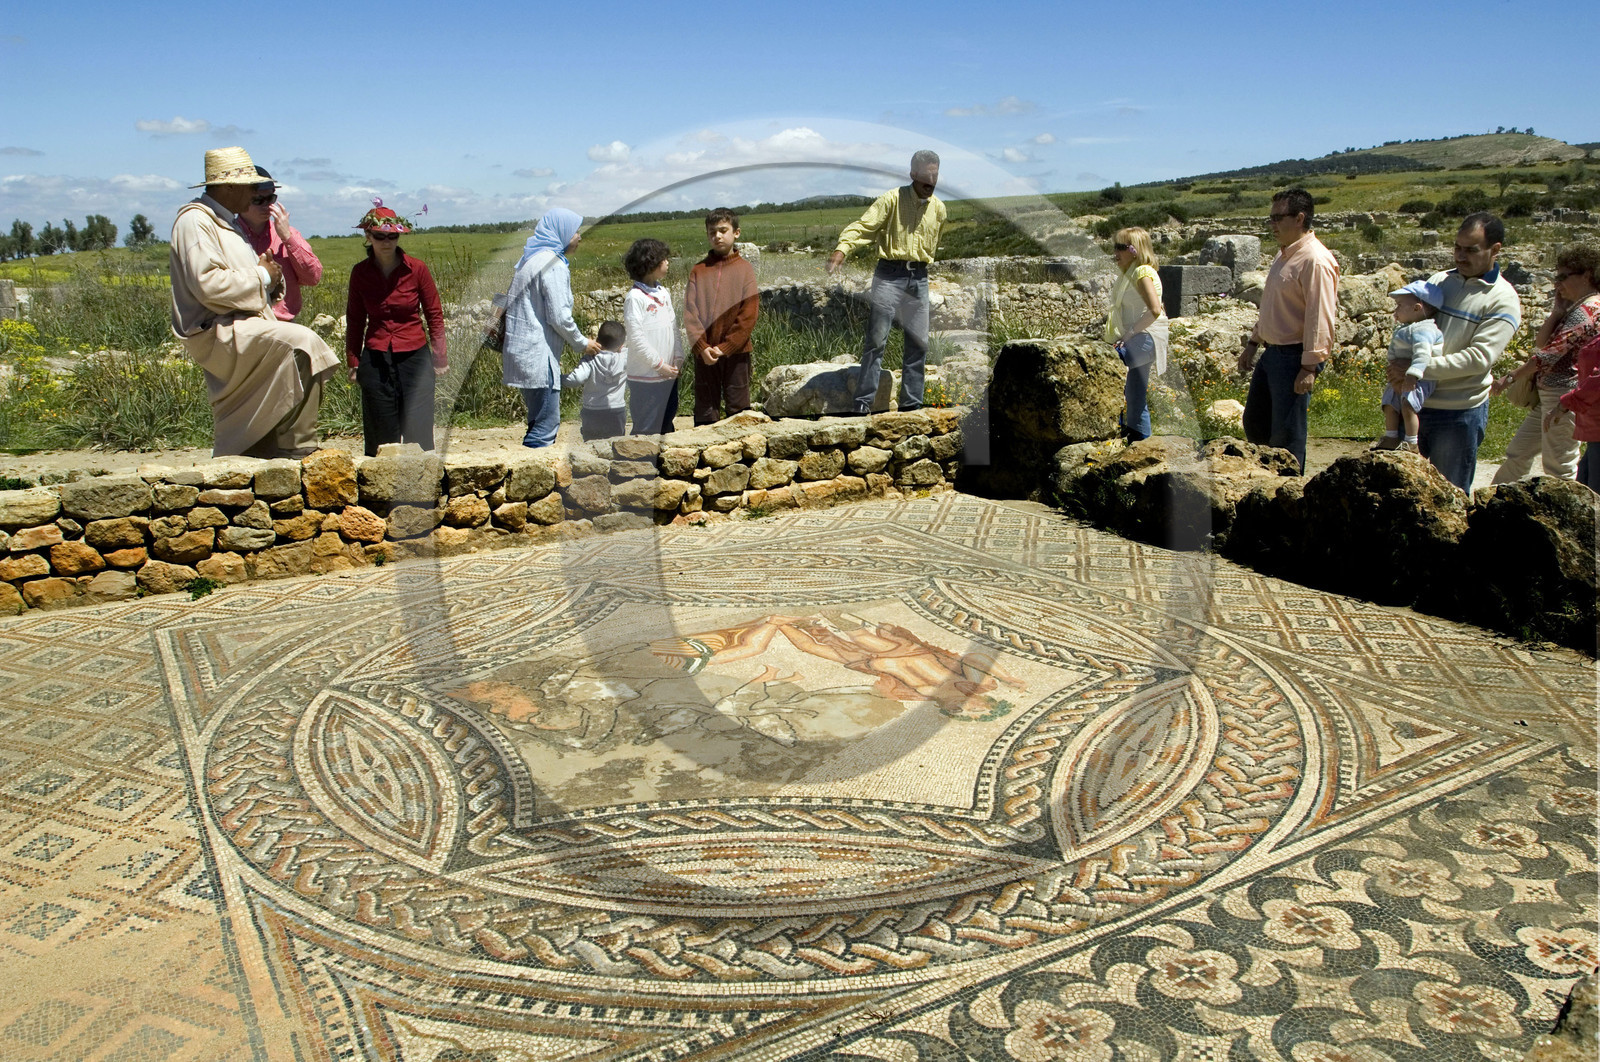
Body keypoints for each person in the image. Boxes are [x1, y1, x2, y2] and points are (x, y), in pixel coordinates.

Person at [169, 146, 339, 458]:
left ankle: (259, 451)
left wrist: (270, 280)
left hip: (245, 323)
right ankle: (296, 449)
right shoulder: (195, 222)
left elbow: (307, 273)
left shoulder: (226, 223)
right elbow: (207, 283)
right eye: (250, 188)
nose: (254, 195)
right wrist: (261, 276)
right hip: (217, 329)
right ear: (229, 187)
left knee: (284, 366)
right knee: (301, 344)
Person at [1393, 213, 1521, 490]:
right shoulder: (1439, 281)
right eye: (1457, 248)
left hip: (1456, 413)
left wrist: (1415, 369)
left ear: (1495, 250)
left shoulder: (1503, 299)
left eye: (1471, 250)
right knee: (1403, 492)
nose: (1460, 257)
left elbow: (1479, 359)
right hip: (1415, 402)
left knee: (1447, 495)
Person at [827, 150, 946, 414]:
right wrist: (842, 250)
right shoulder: (892, 199)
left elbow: (933, 244)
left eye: (935, 175)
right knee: (877, 340)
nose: (931, 181)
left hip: (920, 277)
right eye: (926, 175)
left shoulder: (938, 208)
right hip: (889, 275)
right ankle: (863, 403)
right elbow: (864, 227)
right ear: (913, 174)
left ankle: (912, 405)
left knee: (918, 343)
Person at [1237, 188, 1339, 474]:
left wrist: (1309, 366)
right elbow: (1273, 306)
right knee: (1255, 423)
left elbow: (1319, 316)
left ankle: (1288, 491)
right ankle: (1266, 484)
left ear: (1300, 218)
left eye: (1278, 218)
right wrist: (1254, 342)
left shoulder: (1315, 260)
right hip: (1272, 353)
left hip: (1294, 357)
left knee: (1287, 436)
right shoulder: (1285, 255)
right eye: (1270, 219)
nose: (1272, 225)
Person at [1489, 243, 1600, 483]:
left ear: (1587, 275)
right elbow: (1542, 344)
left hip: (1564, 394)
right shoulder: (1578, 308)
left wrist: (1510, 377)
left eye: (1563, 276)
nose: (1557, 284)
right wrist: (1557, 313)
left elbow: (1548, 354)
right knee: (1519, 452)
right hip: (1552, 395)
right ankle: (1496, 501)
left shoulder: (1588, 309)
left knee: (1559, 466)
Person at [345, 201, 447, 457]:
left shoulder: (417, 269)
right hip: (376, 355)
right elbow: (355, 319)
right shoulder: (360, 272)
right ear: (368, 237)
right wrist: (354, 361)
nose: (387, 242)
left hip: (415, 354)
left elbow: (434, 314)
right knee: (381, 427)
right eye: (380, 236)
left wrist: (440, 357)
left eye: (393, 236)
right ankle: (379, 491)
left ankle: (421, 488)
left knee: (418, 425)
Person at [503, 208, 600, 448]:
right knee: (546, 424)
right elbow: (559, 316)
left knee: (538, 419)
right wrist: (582, 343)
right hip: (538, 355)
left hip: (524, 351)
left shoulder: (532, 258)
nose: (579, 237)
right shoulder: (553, 264)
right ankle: (533, 480)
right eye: (576, 231)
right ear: (562, 232)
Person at [684, 208, 759, 425]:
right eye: (712, 232)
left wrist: (726, 347)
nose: (717, 236)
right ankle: (707, 454)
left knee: (738, 407)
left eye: (723, 230)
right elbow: (690, 313)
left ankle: (742, 456)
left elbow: (749, 314)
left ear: (736, 233)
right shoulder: (698, 270)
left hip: (737, 352)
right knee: (706, 409)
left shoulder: (745, 270)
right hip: (705, 352)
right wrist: (702, 347)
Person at [1104, 227, 1168, 441]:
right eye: (1115, 246)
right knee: (1135, 394)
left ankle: (1118, 434)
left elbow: (1155, 309)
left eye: (1120, 247)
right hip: (1145, 338)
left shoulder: (1141, 272)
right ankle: (1140, 443)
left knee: (1107, 368)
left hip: (1144, 338)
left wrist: (1129, 334)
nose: (1115, 252)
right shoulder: (1133, 273)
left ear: (1134, 250)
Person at [236, 166, 322, 321]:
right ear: (240, 201)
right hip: (243, 325)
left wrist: (287, 237)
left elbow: (313, 277)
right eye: (258, 200)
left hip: (284, 325)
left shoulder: (287, 234)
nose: (267, 205)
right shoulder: (228, 235)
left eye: (270, 199)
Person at [1371, 280, 1444, 453]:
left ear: (1417, 308)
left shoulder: (1424, 330)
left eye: (1399, 306)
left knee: (1408, 404)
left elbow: (1423, 354)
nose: (1395, 311)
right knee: (1389, 403)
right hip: (1400, 376)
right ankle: (1391, 436)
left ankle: (1411, 441)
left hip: (1417, 378)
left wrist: (1412, 375)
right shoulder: (1408, 327)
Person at [623, 238, 683, 435]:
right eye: (664, 259)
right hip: (646, 376)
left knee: (667, 419)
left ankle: (665, 462)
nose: (667, 263)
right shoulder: (635, 298)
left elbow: (673, 326)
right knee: (647, 425)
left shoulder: (663, 292)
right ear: (651, 263)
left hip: (668, 373)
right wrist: (659, 365)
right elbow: (636, 338)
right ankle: (640, 464)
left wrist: (678, 357)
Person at [562, 319, 628, 441]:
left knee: (591, 444)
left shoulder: (590, 359)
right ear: (621, 346)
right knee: (616, 443)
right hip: (616, 410)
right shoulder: (624, 358)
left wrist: (559, 379)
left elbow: (576, 379)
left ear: (597, 341)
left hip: (592, 410)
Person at [1559, 334, 1600, 492]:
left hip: (1597, 426)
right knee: (1585, 489)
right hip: (1593, 427)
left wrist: (1565, 404)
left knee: (1593, 494)